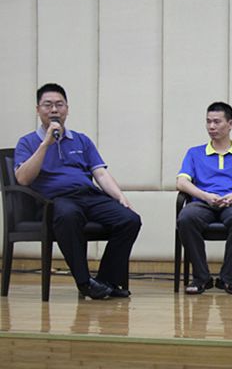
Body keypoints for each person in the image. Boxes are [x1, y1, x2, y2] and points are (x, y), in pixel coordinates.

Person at [14, 83, 141, 300]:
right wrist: (45, 144)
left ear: (67, 109)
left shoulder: (81, 140)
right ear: (38, 110)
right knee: (69, 215)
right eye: (48, 105)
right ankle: (84, 282)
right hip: (56, 200)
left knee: (130, 220)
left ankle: (105, 281)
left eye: (59, 104)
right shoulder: (27, 142)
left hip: (88, 195)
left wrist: (120, 196)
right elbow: (23, 178)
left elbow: (100, 173)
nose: (54, 110)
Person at [176, 102, 232, 295]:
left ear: (230, 124)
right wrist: (205, 196)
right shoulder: (195, 153)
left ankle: (228, 278)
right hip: (203, 203)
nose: (211, 126)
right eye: (208, 121)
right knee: (186, 217)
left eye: (217, 122)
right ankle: (201, 278)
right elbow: (182, 182)